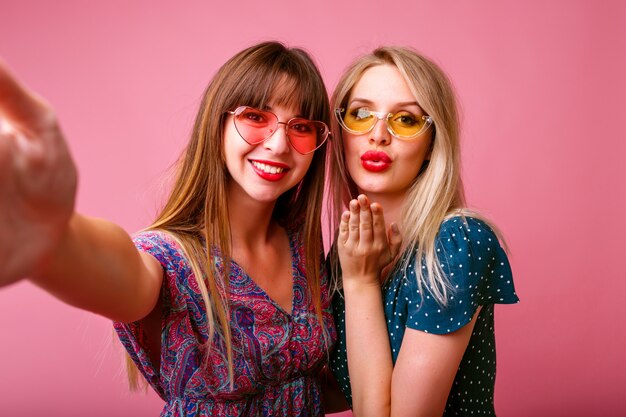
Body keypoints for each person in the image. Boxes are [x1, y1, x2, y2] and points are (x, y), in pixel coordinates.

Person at [0, 41, 336, 416]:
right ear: (218, 123)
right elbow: (123, 273)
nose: (278, 144)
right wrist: (56, 242)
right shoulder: (170, 258)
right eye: (256, 117)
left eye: (301, 127)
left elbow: (307, 387)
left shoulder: (303, 246)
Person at [326, 46, 519, 416]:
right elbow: (349, 386)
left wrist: (361, 283)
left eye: (405, 119)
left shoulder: (459, 243)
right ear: (341, 128)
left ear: (432, 141)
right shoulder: (352, 248)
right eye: (361, 114)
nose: (378, 134)